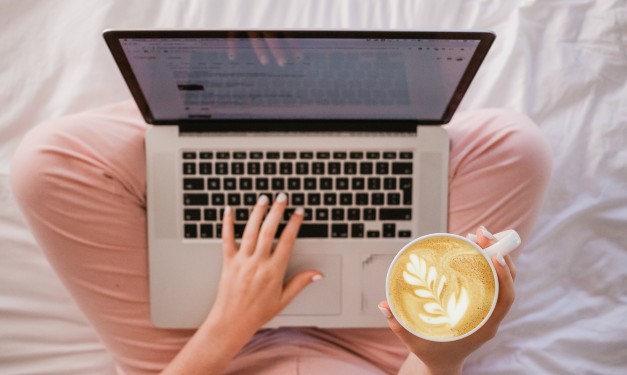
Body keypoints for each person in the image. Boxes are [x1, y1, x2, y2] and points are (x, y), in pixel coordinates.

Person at [10, 100, 552, 374]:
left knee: (48, 163)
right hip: (384, 359)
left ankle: (225, 107)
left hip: (200, 352)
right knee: (515, 147)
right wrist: (438, 358)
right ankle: (329, 109)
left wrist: (229, 323)